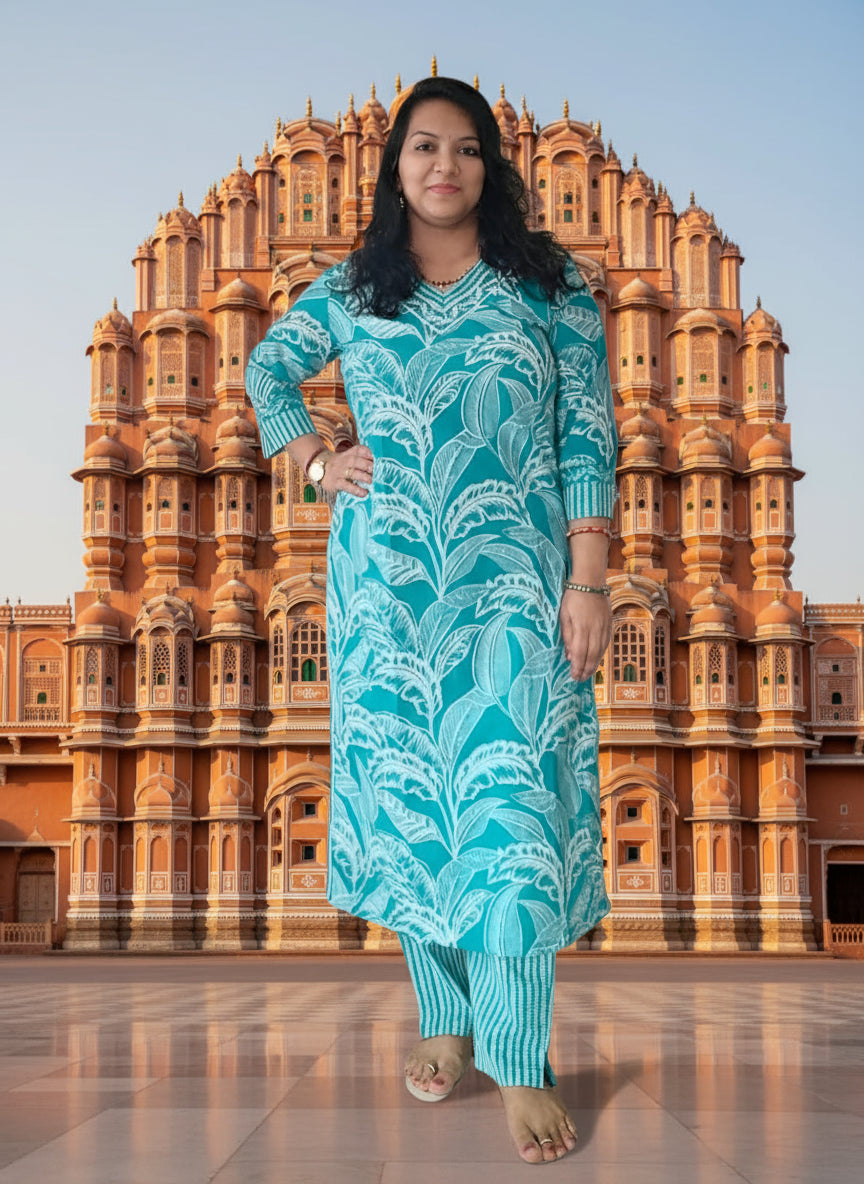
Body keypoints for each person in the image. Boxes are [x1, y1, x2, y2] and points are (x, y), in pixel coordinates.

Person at [245, 74, 617, 1166]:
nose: (442, 166)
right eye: (422, 148)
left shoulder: (553, 289)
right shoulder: (355, 286)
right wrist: (317, 456)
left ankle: (519, 1052)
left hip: (517, 586)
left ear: (490, 167)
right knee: (416, 802)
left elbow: (587, 437)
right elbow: (269, 368)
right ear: (395, 164)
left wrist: (588, 579)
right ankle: (447, 1015)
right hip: (391, 589)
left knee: (510, 817)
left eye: (463, 149)